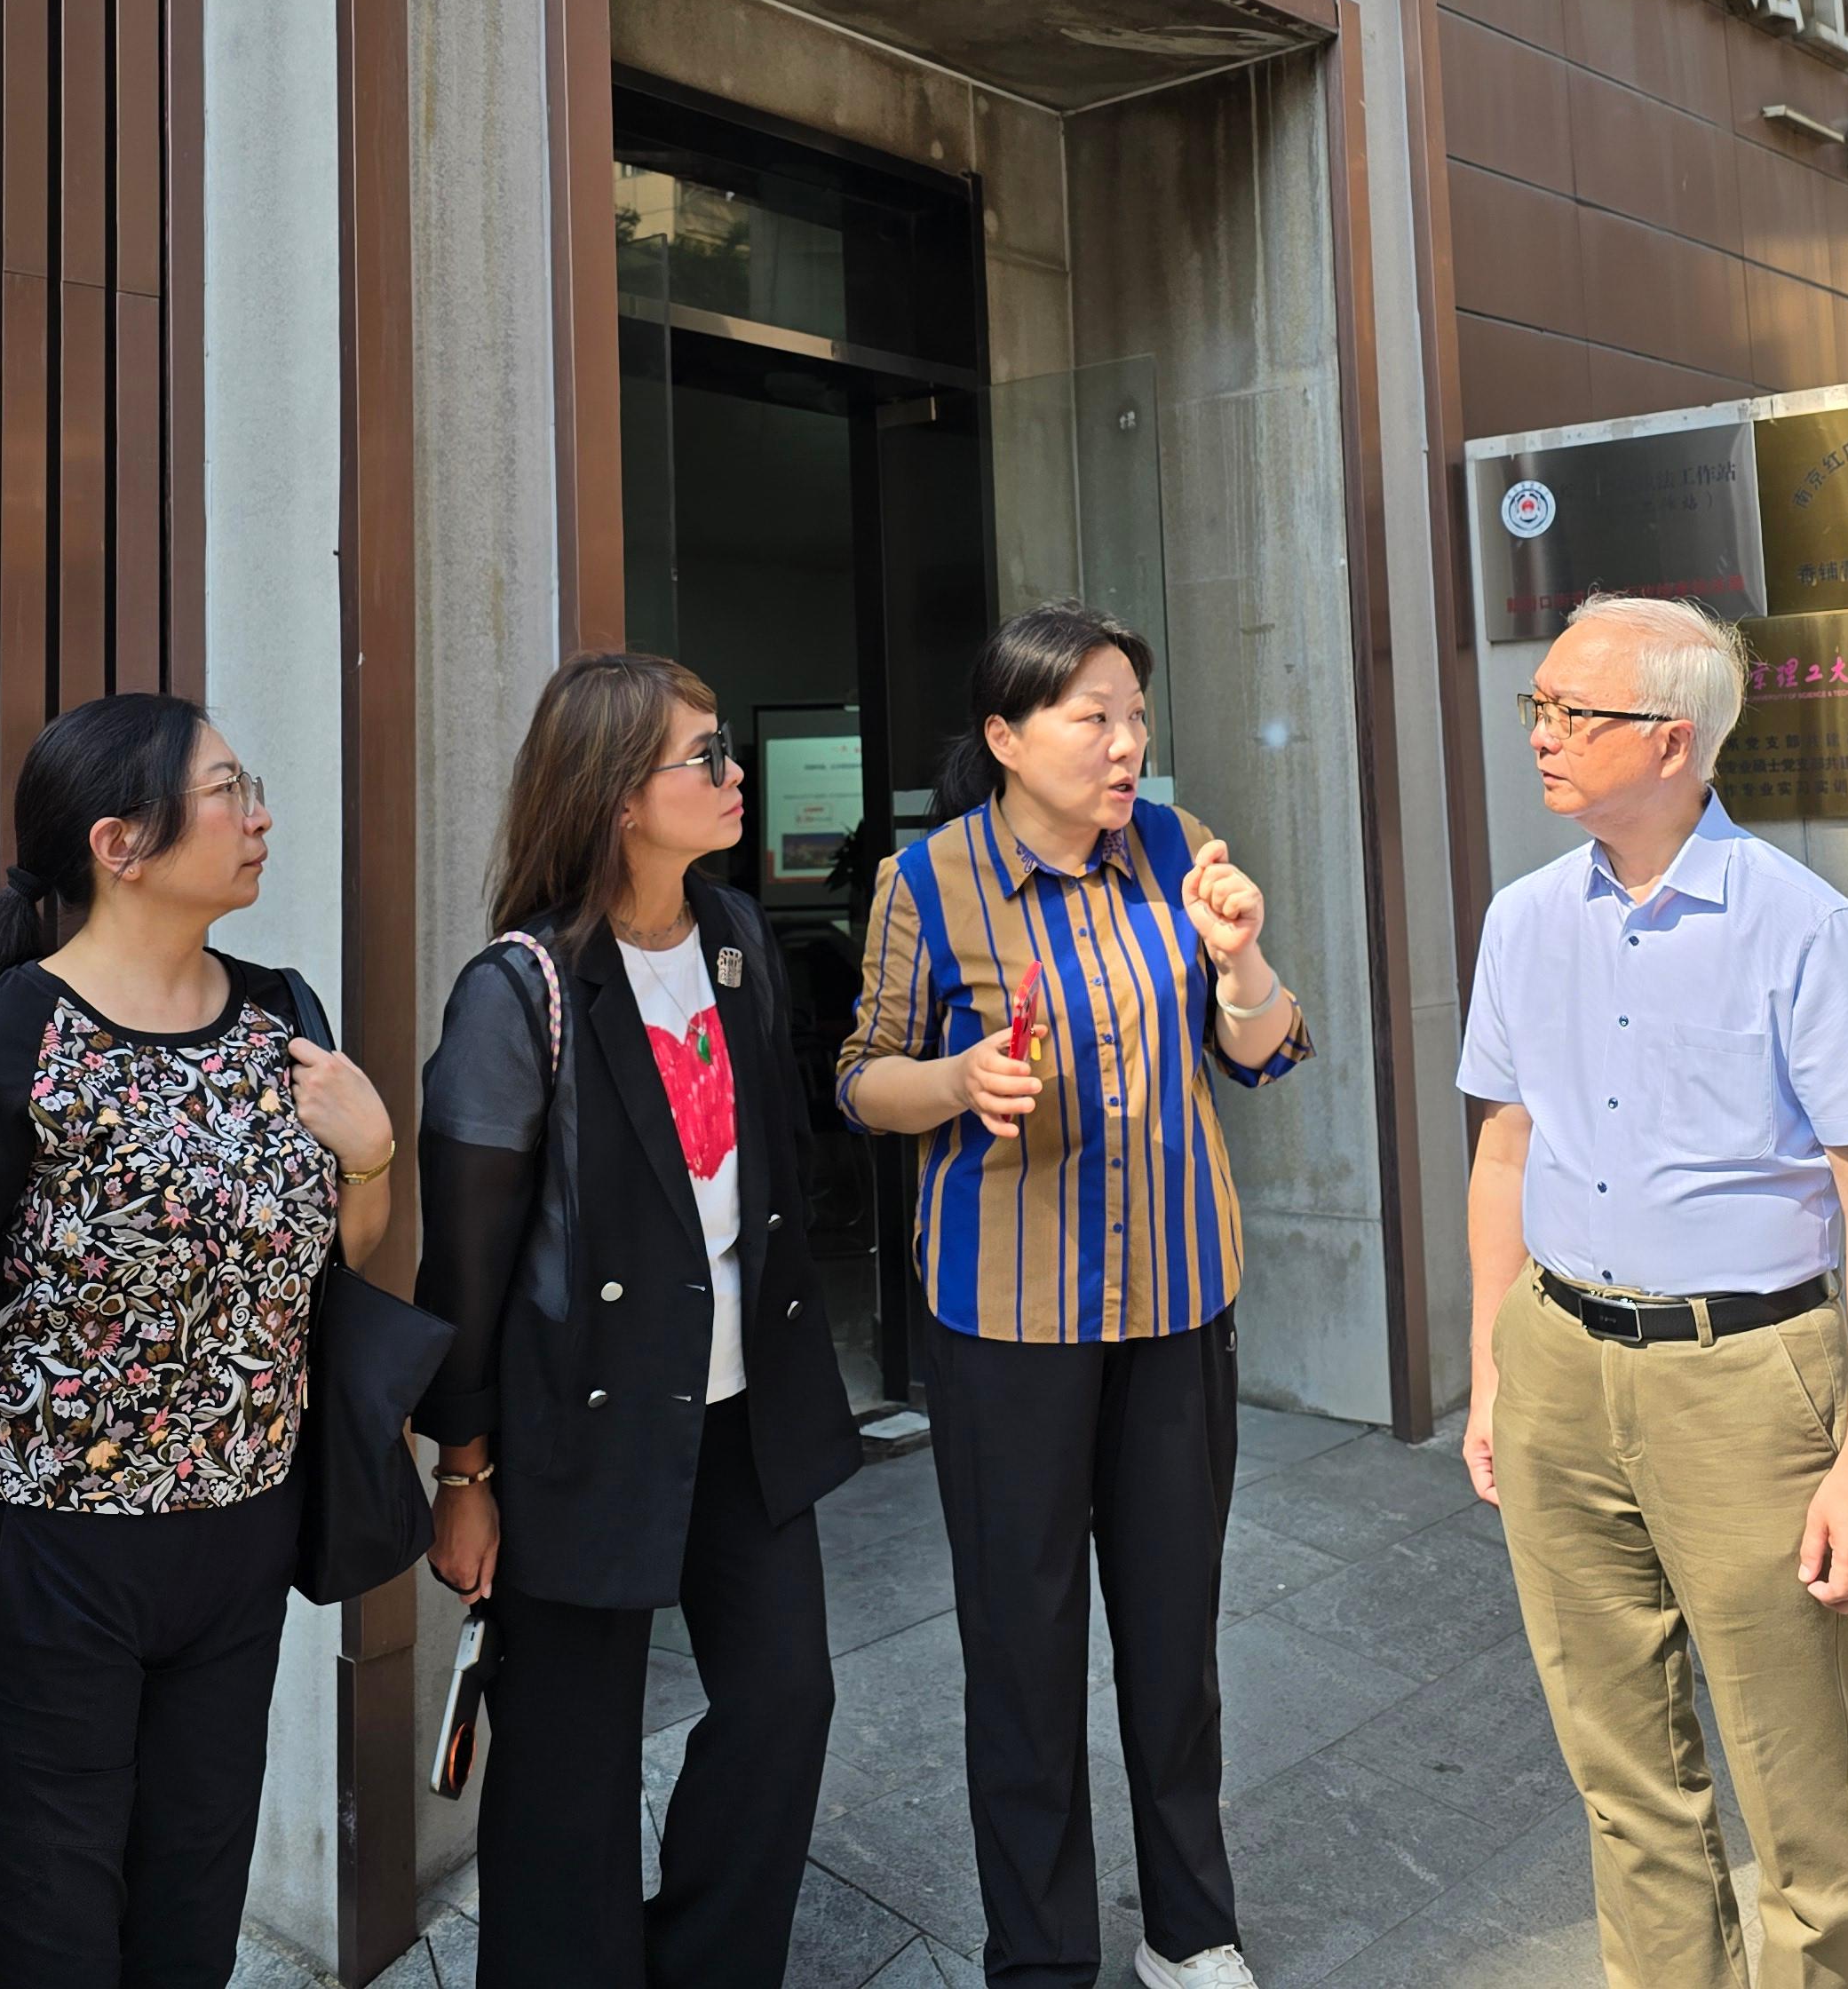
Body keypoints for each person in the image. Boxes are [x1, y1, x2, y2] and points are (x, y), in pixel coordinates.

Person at [0, 692, 399, 1989]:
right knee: (45, 1943)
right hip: (36, 1568)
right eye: (227, 791)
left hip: (237, 1548)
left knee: (185, 1933)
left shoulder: (283, 1018)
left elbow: (338, 1276)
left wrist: (372, 1157)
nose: (261, 817)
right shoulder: (5, 1048)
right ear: (118, 845)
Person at [837, 600, 1308, 1989]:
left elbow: (1269, 1055)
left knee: (1175, 1636)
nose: (1127, 747)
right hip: (1006, 1327)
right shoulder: (925, 883)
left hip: (1175, 1308)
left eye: (1137, 719)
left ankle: (1191, 1929)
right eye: (1094, 717)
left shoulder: (1175, 849)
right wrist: (955, 1083)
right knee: (1023, 1651)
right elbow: (862, 1074)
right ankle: (1039, 1957)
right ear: (1004, 737)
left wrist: (1243, 961)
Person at [1457, 593, 1848, 1989]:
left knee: (1799, 1788)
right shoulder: (1525, 918)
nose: (1540, 735)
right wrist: (1492, 1366)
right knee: (1621, 1768)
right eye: (1535, 707)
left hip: (1745, 1378)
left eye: (1569, 712)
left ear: (1673, 742)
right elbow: (1504, 1148)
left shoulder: (1804, 927)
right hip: (1556, 1361)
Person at [413, 651, 859, 1988]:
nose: (733, 777)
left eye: (728, 751)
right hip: (579, 1429)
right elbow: (470, 1268)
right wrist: (465, 1471)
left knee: (787, 1702)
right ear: (617, 794)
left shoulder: (733, 939)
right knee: (567, 1763)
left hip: (743, 1415)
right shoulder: (522, 990)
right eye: (705, 757)